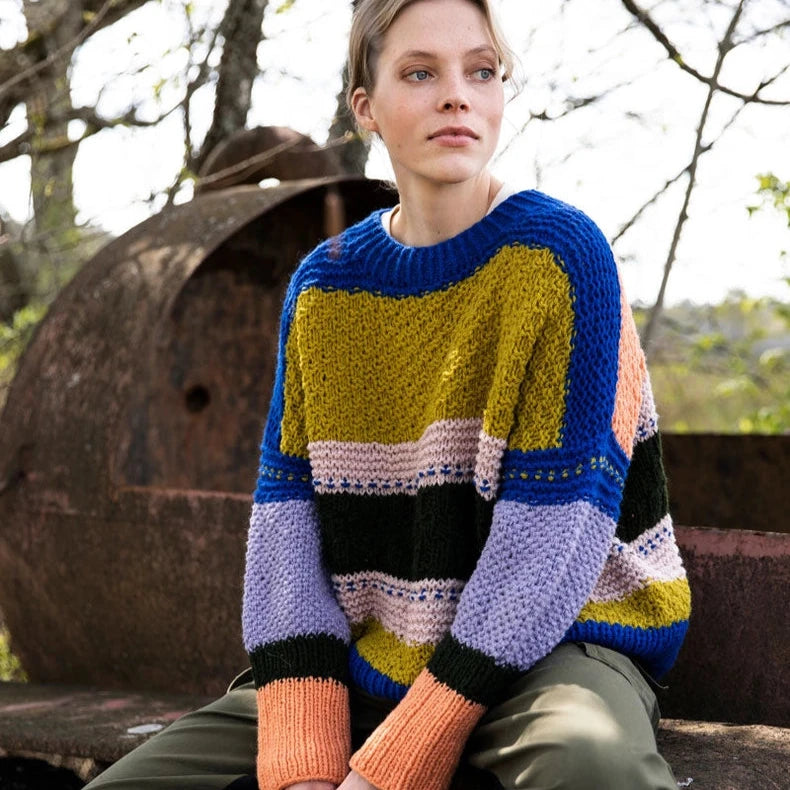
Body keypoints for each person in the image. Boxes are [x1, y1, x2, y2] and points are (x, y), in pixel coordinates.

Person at [85, 1, 691, 789]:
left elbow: (553, 544)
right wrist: (306, 753)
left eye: (481, 70)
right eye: (419, 73)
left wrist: (390, 768)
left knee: (589, 762)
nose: (457, 95)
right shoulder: (326, 287)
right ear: (364, 107)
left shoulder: (561, 258)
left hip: (556, 647)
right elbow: (286, 525)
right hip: (377, 663)